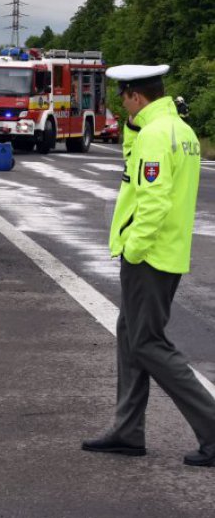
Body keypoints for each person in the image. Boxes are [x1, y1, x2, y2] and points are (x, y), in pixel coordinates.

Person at [81, 64, 215, 467]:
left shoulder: (156, 135)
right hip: (167, 252)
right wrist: (133, 132)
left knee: (147, 343)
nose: (124, 113)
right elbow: (136, 172)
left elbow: (152, 199)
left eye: (124, 102)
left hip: (150, 256)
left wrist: (134, 248)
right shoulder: (178, 131)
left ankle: (211, 426)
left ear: (137, 96)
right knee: (129, 335)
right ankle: (128, 430)